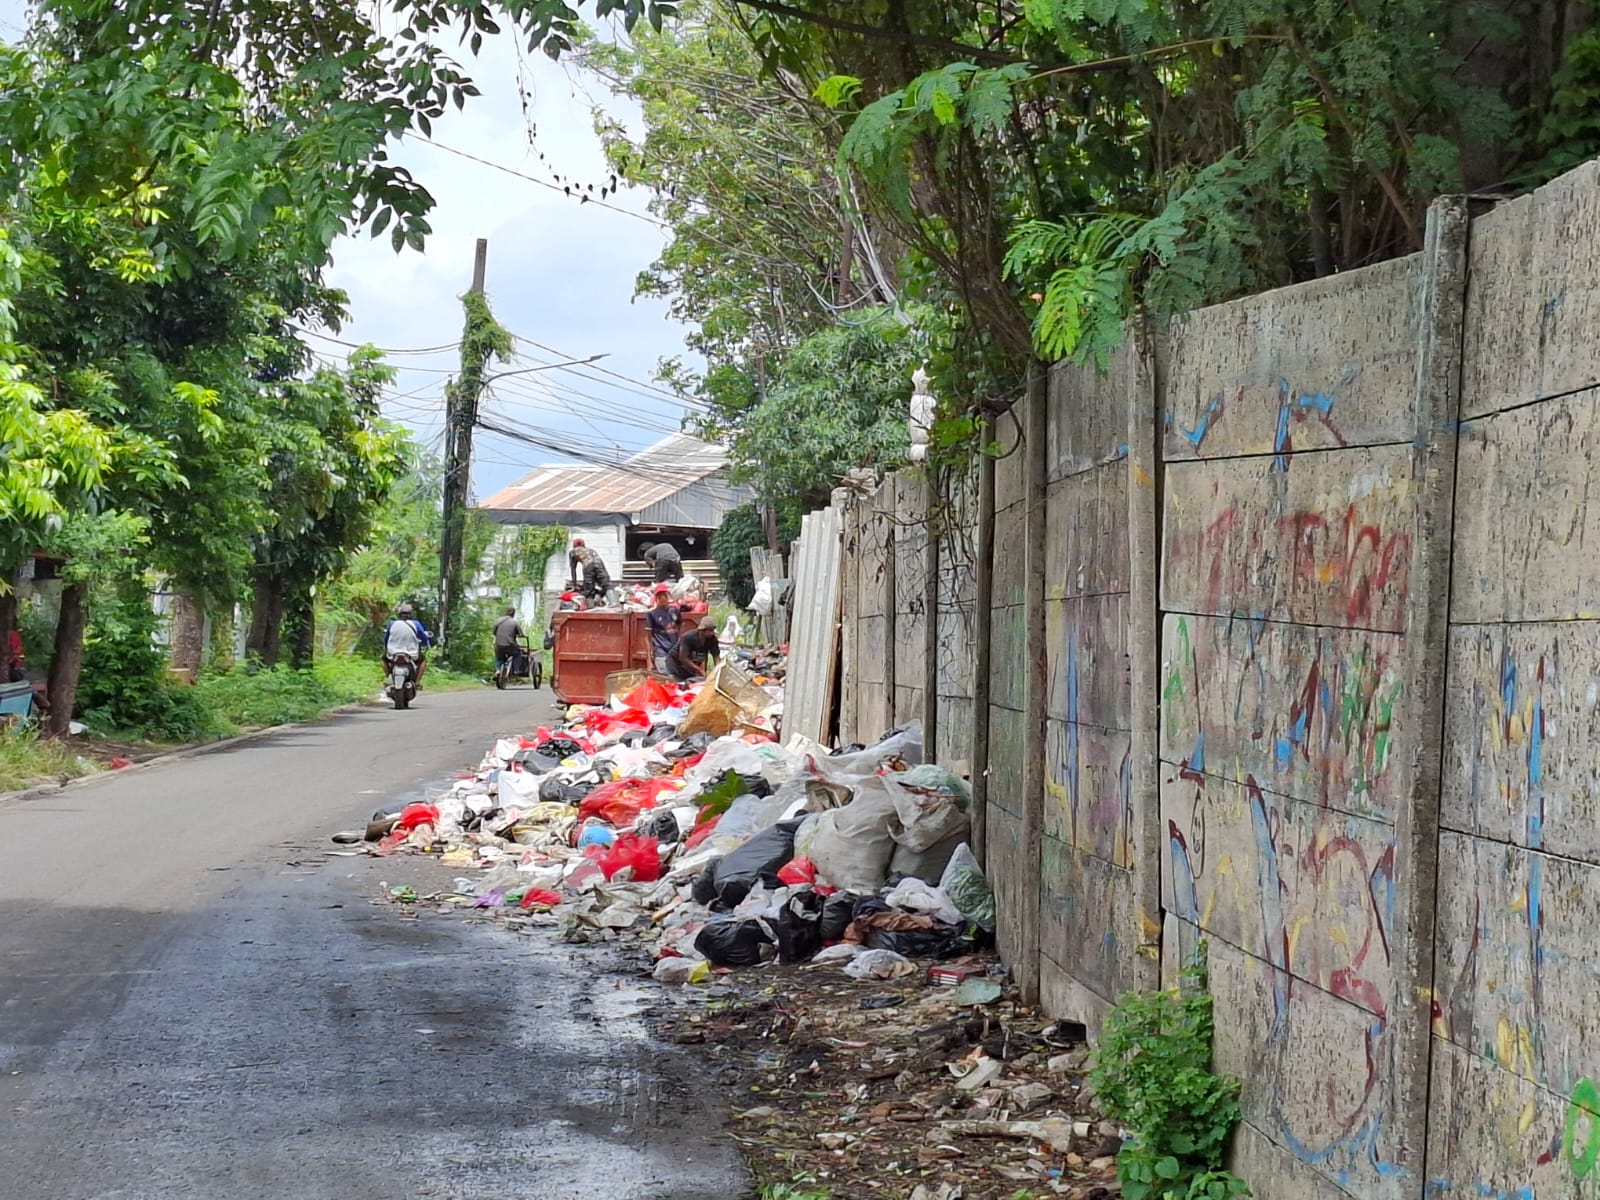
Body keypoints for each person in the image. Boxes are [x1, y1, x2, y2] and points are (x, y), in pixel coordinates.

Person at [382, 601, 432, 687]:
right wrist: (426, 643)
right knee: (423, 660)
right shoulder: (416, 624)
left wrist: (387, 647)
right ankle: (417, 682)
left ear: (399, 614)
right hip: (411, 655)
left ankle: (389, 676)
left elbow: (386, 639)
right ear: (411, 614)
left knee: (383, 659)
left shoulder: (392, 624)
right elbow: (423, 638)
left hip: (393, 655)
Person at [666, 615, 720, 682]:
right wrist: (699, 670)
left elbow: (716, 657)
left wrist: (718, 670)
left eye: (713, 630)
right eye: (710, 630)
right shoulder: (688, 637)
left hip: (689, 669)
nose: (712, 633)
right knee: (676, 684)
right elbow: (683, 658)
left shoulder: (712, 640)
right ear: (702, 630)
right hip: (676, 665)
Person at [645, 584, 681, 676]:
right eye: (660, 596)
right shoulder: (652, 614)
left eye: (664, 595)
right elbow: (647, 638)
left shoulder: (675, 611)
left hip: (674, 652)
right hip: (661, 652)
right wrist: (649, 660)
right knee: (666, 678)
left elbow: (680, 628)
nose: (663, 598)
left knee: (675, 679)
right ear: (657, 598)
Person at [493, 606, 526, 675]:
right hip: (510, 645)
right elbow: (521, 634)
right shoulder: (514, 622)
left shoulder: (498, 621)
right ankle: (516, 669)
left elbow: (494, 632)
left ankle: (498, 669)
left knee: (498, 656)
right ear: (513, 614)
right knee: (518, 652)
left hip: (499, 644)